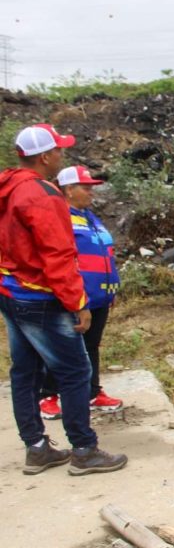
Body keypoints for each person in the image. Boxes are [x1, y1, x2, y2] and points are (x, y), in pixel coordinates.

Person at [0, 124, 127, 475]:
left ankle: (37, 448)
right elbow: (57, 255)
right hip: (40, 297)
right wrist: (77, 303)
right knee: (75, 371)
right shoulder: (42, 196)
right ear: (45, 156)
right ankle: (84, 450)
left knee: (24, 371)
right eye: (58, 150)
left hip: (11, 291)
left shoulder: (9, 187)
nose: (61, 155)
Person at [37, 165, 123, 420]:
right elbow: (58, 259)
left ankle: (92, 393)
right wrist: (73, 295)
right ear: (69, 190)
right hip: (73, 296)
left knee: (91, 345)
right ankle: (48, 395)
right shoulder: (59, 216)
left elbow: (105, 255)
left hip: (98, 297)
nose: (91, 192)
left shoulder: (90, 217)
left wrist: (110, 289)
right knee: (63, 345)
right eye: (86, 188)